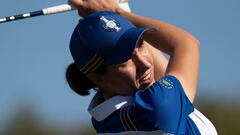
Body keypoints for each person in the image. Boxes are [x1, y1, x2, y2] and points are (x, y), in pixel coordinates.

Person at [66, 0, 218, 134]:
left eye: (141, 44)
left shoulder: (107, 119)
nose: (145, 64)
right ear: (97, 77)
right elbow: (186, 44)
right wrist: (118, 12)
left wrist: (109, 14)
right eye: (126, 60)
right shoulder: (157, 107)